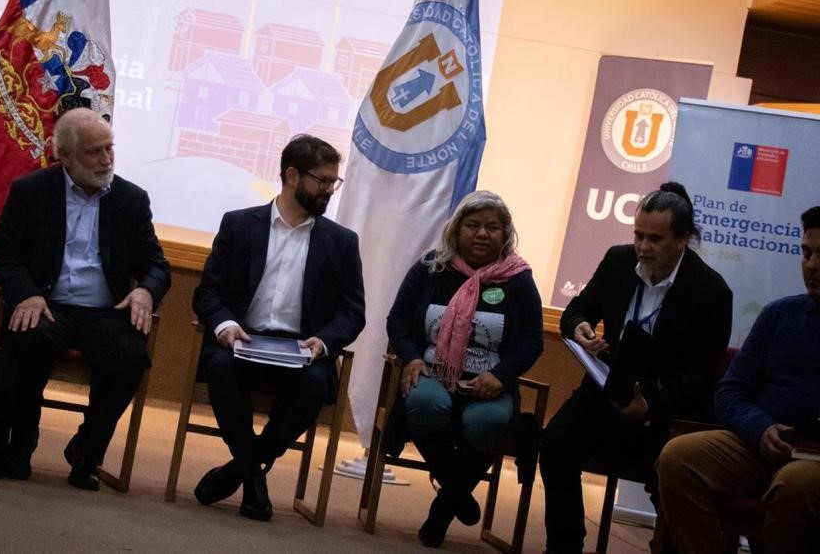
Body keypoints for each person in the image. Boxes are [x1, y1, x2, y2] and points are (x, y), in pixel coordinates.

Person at [539, 181, 733, 554]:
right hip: (606, 388)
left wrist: (652, 407)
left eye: (655, 240)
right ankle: (565, 546)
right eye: (639, 236)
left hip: (665, 408)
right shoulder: (618, 261)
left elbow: (699, 374)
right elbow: (578, 309)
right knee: (555, 444)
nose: (643, 248)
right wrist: (578, 327)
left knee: (673, 477)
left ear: (683, 239)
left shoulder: (711, 291)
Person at [0, 107, 170, 491]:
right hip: (48, 305)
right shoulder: (31, 190)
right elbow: (2, 254)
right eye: (94, 152)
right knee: (26, 339)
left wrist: (145, 290)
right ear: (63, 155)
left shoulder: (131, 199)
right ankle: (20, 445)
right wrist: (28, 294)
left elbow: (156, 264)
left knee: (131, 355)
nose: (106, 160)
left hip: (106, 312)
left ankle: (87, 452)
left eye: (110, 149)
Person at [192, 134, 365, 521]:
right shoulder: (239, 225)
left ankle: (241, 470)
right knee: (220, 369)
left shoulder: (341, 242)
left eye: (334, 182)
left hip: (302, 348)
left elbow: (353, 312)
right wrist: (225, 326)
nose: (329, 190)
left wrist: (323, 342)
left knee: (318, 385)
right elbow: (208, 293)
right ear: (291, 175)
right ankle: (253, 473)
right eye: (322, 181)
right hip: (244, 338)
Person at [654, 206, 820, 554]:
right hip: (759, 443)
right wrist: (760, 428)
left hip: (814, 459)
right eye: (806, 253)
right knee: (677, 457)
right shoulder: (780, 313)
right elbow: (730, 390)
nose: (812, 265)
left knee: (794, 485)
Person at [387, 191, 544, 548]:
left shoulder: (518, 279)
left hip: (489, 382)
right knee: (424, 406)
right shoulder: (431, 267)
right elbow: (397, 318)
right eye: (473, 225)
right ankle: (458, 494)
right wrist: (410, 356)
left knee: (489, 423)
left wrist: (501, 375)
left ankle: (442, 509)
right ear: (457, 229)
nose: (482, 234)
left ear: (505, 234)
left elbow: (533, 340)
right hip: (430, 373)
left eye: (493, 227)